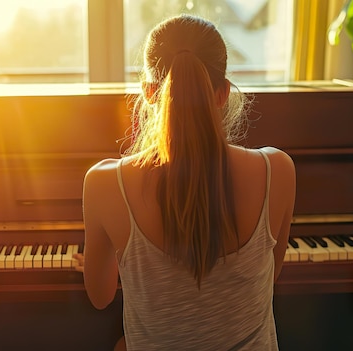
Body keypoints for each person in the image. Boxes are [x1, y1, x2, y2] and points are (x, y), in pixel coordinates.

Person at [73, 14, 296, 351]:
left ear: (148, 93)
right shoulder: (277, 169)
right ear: (222, 93)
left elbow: (101, 297)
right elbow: (270, 277)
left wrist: (120, 255)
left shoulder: (104, 182)